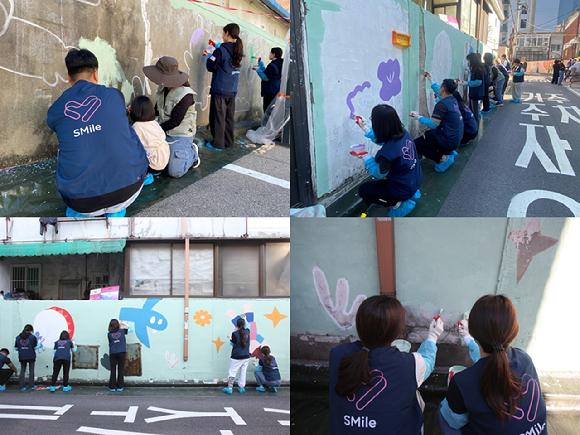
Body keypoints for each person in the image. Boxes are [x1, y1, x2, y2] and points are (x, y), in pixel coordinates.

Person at [47, 48, 149, 217]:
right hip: (129, 189)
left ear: (68, 77)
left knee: (65, 146)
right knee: (127, 132)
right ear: (95, 74)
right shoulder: (114, 95)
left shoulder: (56, 109)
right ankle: (116, 213)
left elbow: (55, 125)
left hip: (80, 202)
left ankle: (81, 217)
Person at [329, 296, 444, 434]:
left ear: (359, 325)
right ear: (397, 332)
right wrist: (433, 336)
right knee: (415, 393)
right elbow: (428, 361)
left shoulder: (337, 355)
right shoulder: (410, 364)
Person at [438, 295, 547, 435]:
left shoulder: (462, 382)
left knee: (443, 411)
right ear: (514, 330)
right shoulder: (524, 359)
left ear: (473, 332)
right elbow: (494, 358)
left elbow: (455, 422)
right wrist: (467, 338)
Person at [354, 105, 422, 217]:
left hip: (402, 188)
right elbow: (384, 139)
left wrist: (364, 156)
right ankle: (409, 195)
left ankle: (398, 203)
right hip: (414, 180)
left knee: (363, 191)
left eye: (373, 120)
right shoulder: (402, 132)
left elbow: (379, 173)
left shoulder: (387, 153)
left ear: (379, 125)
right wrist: (364, 128)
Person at [143, 57, 199, 178]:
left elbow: (175, 122)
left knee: (175, 171)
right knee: (153, 163)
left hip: (180, 134)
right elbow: (157, 110)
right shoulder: (162, 89)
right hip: (163, 131)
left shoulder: (186, 95)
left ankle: (193, 153)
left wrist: (155, 130)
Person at [411, 78, 464, 173]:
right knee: (428, 135)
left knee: (416, 144)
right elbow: (439, 92)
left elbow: (433, 124)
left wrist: (418, 117)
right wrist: (431, 80)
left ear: (443, 89)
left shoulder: (441, 105)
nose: (438, 87)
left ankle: (443, 158)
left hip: (448, 140)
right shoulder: (452, 100)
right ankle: (450, 151)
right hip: (456, 138)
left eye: (440, 86)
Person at [206, 23, 244, 150]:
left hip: (220, 89)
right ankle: (228, 142)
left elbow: (211, 66)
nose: (222, 36)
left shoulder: (220, 51)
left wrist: (209, 55)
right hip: (231, 90)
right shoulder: (238, 50)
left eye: (223, 33)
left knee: (218, 117)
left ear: (227, 33)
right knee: (228, 117)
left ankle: (217, 144)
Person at [129, 95, 171, 185]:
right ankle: (154, 171)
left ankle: (146, 175)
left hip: (153, 165)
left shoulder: (137, 126)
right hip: (164, 160)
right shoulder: (154, 123)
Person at [223, 318, 250, 394]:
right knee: (243, 372)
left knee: (233, 371)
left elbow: (232, 343)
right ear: (244, 324)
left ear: (237, 325)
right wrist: (245, 318)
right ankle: (241, 388)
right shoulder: (247, 331)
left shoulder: (234, 334)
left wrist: (229, 338)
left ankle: (230, 388)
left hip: (236, 356)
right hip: (246, 356)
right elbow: (249, 325)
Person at [256, 47, 284, 112]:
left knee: (267, 110)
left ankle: (267, 122)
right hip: (277, 89)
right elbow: (268, 73)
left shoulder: (272, 65)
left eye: (271, 53)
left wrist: (258, 70)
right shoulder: (280, 63)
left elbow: (266, 77)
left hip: (269, 90)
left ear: (274, 54)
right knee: (274, 110)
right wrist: (261, 64)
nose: (270, 54)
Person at [14, 324, 38, 391]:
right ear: (31, 330)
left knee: (22, 371)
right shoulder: (32, 337)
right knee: (31, 371)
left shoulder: (18, 337)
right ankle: (31, 386)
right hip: (31, 356)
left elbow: (16, 348)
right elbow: (35, 347)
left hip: (22, 356)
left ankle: (21, 386)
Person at [108, 319, 129, 392]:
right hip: (121, 351)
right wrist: (125, 324)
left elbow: (110, 342)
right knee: (120, 369)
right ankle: (120, 386)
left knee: (113, 369)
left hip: (113, 352)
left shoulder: (109, 334)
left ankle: (112, 387)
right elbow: (130, 330)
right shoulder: (122, 331)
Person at [464, 53, 486, 122]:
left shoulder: (477, 69)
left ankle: (475, 127)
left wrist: (466, 83)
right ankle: (475, 126)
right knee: (474, 110)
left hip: (476, 94)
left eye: (468, 60)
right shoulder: (477, 68)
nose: (468, 62)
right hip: (476, 93)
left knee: (475, 111)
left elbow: (478, 82)